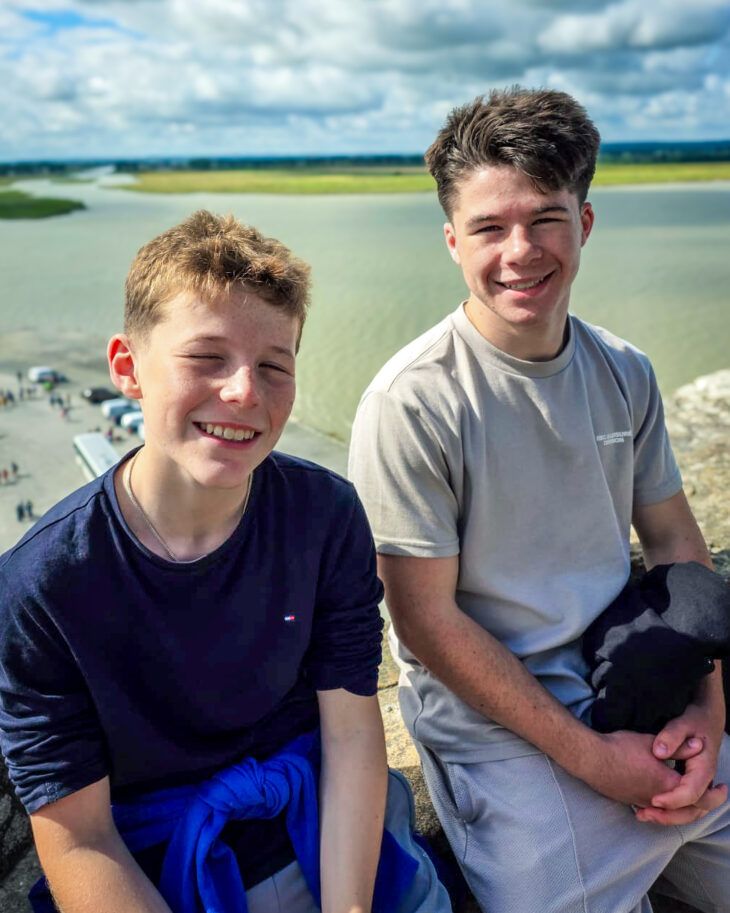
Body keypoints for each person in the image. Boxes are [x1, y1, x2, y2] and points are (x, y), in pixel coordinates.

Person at [0, 211, 450, 913]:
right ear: (128, 368)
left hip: (322, 827)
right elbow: (79, 836)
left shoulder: (324, 515)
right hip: (152, 865)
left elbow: (353, 729)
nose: (244, 391)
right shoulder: (42, 585)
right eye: (206, 356)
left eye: (274, 363)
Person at [348, 87, 730, 912]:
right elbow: (426, 623)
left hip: (635, 674)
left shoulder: (623, 369)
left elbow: (675, 545)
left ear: (584, 223)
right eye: (489, 227)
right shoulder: (412, 402)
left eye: (545, 218)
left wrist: (707, 709)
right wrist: (599, 761)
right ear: (453, 241)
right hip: (500, 730)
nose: (519, 250)